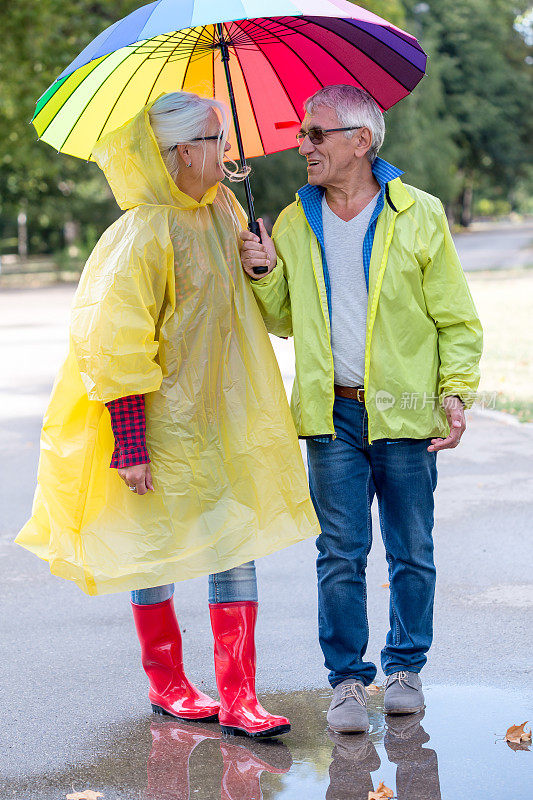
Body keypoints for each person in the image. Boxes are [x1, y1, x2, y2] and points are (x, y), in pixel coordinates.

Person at [16, 91, 320, 738]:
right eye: (217, 138)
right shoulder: (142, 232)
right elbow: (114, 342)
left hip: (225, 417)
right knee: (154, 554)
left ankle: (240, 697)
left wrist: (263, 271)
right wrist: (130, 443)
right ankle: (169, 685)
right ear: (184, 152)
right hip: (154, 427)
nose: (227, 149)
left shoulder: (225, 210)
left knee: (235, 542)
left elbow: (262, 314)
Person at [240, 84, 483, 734]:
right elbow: (287, 320)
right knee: (340, 553)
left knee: (410, 548)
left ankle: (404, 669)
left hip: (404, 411)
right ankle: (347, 680)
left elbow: (456, 318)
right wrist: (264, 275)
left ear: (360, 141)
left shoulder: (418, 213)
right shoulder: (294, 221)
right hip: (331, 415)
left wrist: (454, 390)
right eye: (303, 135)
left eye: (316, 134)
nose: (303, 146)